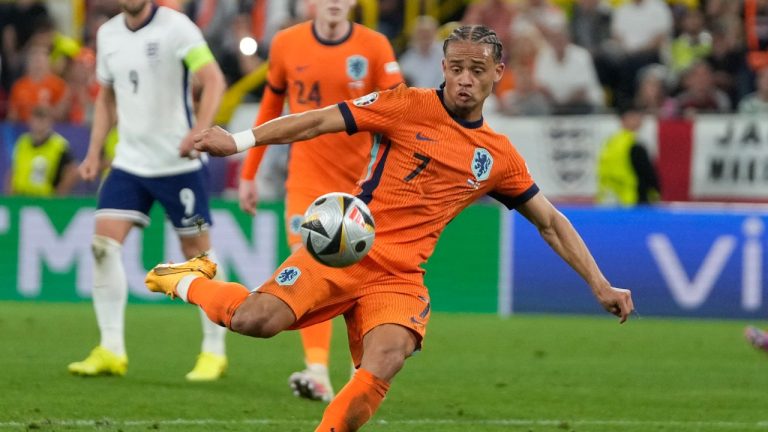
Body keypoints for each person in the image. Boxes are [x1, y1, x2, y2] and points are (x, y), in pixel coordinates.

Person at [147, 25, 635, 431]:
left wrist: (600, 283)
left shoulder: (498, 157)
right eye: (457, 68)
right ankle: (186, 280)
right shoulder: (405, 105)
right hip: (341, 249)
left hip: (399, 277)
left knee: (386, 359)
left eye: (477, 71)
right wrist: (237, 141)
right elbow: (317, 121)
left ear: (497, 75)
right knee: (254, 321)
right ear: (444, 68)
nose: (465, 80)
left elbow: (549, 221)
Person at [237, 0, 404, 402]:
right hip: (307, 183)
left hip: (362, 186)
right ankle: (316, 372)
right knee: (310, 268)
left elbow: (400, 112)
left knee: (360, 280)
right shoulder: (285, 44)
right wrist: (248, 173)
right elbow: (271, 106)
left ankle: (355, 376)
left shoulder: (375, 46)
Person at [68, 0, 228, 382]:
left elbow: (214, 79)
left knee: (198, 256)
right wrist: (93, 151)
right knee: (102, 245)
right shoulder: (107, 35)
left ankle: (214, 350)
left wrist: (200, 130)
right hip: (129, 162)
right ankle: (111, 349)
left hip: (178, 163)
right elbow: (106, 99)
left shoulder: (177, 27)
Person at [596, 104, 660, 206]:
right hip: (634, 199)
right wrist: (656, 192)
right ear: (625, 119)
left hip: (612, 200)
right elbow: (647, 174)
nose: (639, 119)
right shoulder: (634, 145)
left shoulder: (610, 143)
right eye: (636, 116)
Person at [9, 105, 78, 196]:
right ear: (30, 121)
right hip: (21, 196)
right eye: (36, 119)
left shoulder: (59, 145)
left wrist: (59, 194)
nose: (39, 124)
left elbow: (72, 171)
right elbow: (14, 170)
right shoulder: (23, 142)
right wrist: (10, 194)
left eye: (43, 120)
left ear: (50, 122)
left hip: (44, 198)